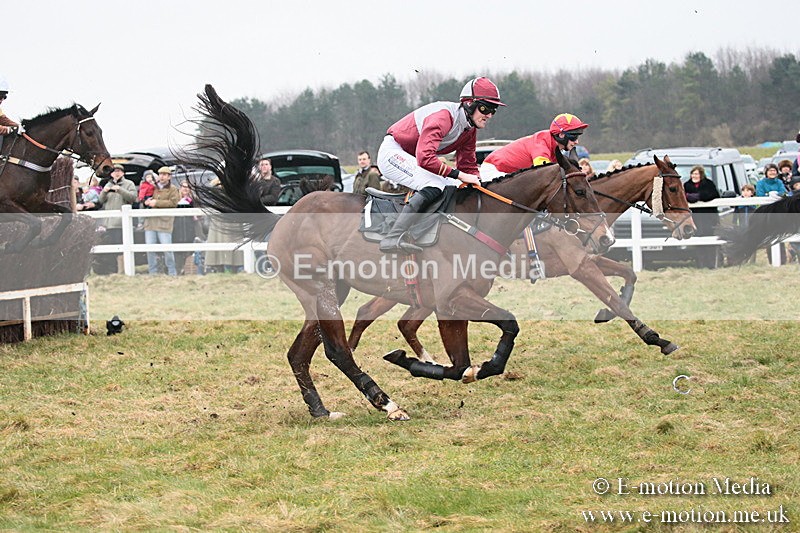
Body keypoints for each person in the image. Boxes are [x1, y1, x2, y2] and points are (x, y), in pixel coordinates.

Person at [376, 76, 505, 253]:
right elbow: (425, 158)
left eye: (494, 110)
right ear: (469, 104)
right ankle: (392, 237)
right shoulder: (443, 117)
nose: (489, 115)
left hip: (413, 157)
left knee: (456, 187)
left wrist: (479, 185)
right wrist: (459, 175)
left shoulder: (469, 129)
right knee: (435, 184)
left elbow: (468, 166)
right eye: (485, 108)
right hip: (393, 152)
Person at [479, 113, 589, 180]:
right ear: (561, 135)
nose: (577, 142)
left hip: (507, 173)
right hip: (493, 170)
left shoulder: (554, 149)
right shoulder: (542, 143)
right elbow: (543, 174)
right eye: (574, 137)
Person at [143, 166, 180, 275]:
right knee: (150, 248)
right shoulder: (153, 187)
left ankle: (172, 272)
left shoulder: (173, 189)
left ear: (169, 177)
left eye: (164, 174)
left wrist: (157, 203)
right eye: (160, 174)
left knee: (167, 249)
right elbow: (143, 197)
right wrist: (146, 201)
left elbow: (173, 203)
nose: (162, 177)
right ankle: (152, 272)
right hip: (150, 222)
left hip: (165, 223)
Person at [683, 165, 720, 268]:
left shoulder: (709, 184)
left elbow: (713, 195)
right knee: (697, 239)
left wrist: (699, 196)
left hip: (708, 217)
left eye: (697, 174)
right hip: (694, 218)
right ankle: (700, 264)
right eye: (693, 173)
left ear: (701, 175)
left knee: (709, 239)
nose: (694, 176)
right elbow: (682, 196)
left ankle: (711, 264)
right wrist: (689, 197)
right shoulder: (686, 185)